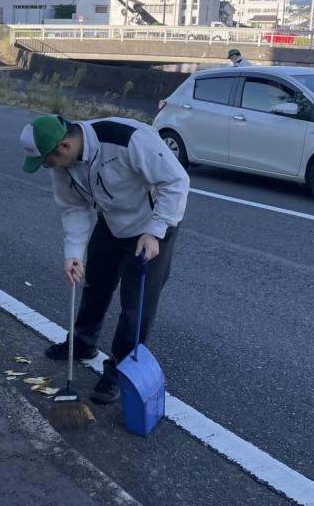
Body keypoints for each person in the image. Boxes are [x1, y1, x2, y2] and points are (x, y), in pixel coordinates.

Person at [19, 114, 189, 404]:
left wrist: (156, 231)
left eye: (47, 161)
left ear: (64, 145)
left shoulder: (126, 139)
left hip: (153, 225)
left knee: (136, 304)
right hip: (111, 222)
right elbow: (74, 207)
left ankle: (119, 371)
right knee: (96, 285)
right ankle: (81, 343)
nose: (48, 168)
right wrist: (73, 253)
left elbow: (175, 181)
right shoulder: (64, 165)